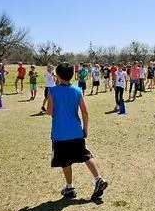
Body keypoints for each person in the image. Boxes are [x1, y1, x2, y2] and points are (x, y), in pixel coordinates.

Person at [46, 62, 108, 199]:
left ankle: (70, 187)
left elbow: (49, 112)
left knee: (65, 161)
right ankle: (98, 179)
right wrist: (85, 129)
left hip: (60, 133)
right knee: (85, 155)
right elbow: (85, 112)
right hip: (76, 131)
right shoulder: (77, 90)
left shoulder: (52, 91)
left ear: (59, 76)